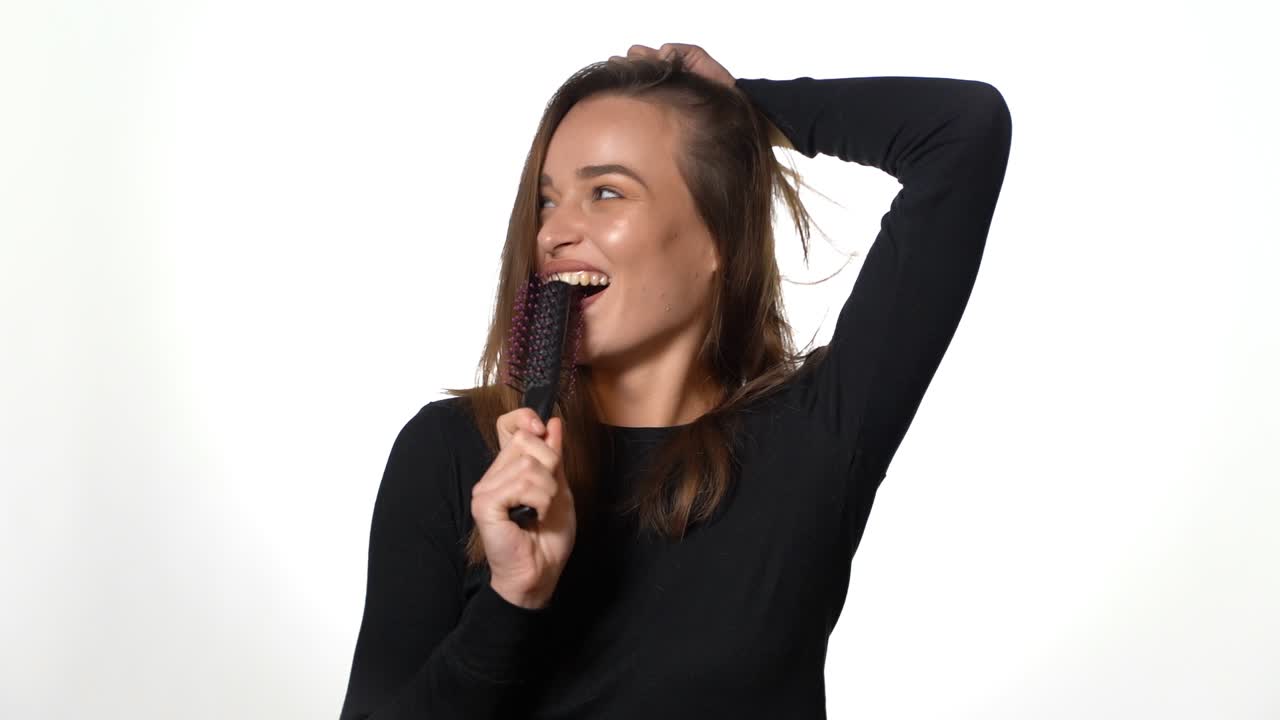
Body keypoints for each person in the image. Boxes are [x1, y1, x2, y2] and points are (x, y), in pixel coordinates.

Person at [338, 43, 1011, 719]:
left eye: (606, 193)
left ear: (717, 236)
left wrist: (739, 106)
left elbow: (964, 130)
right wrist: (512, 598)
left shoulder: (814, 441)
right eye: (547, 200)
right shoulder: (456, 455)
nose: (555, 232)